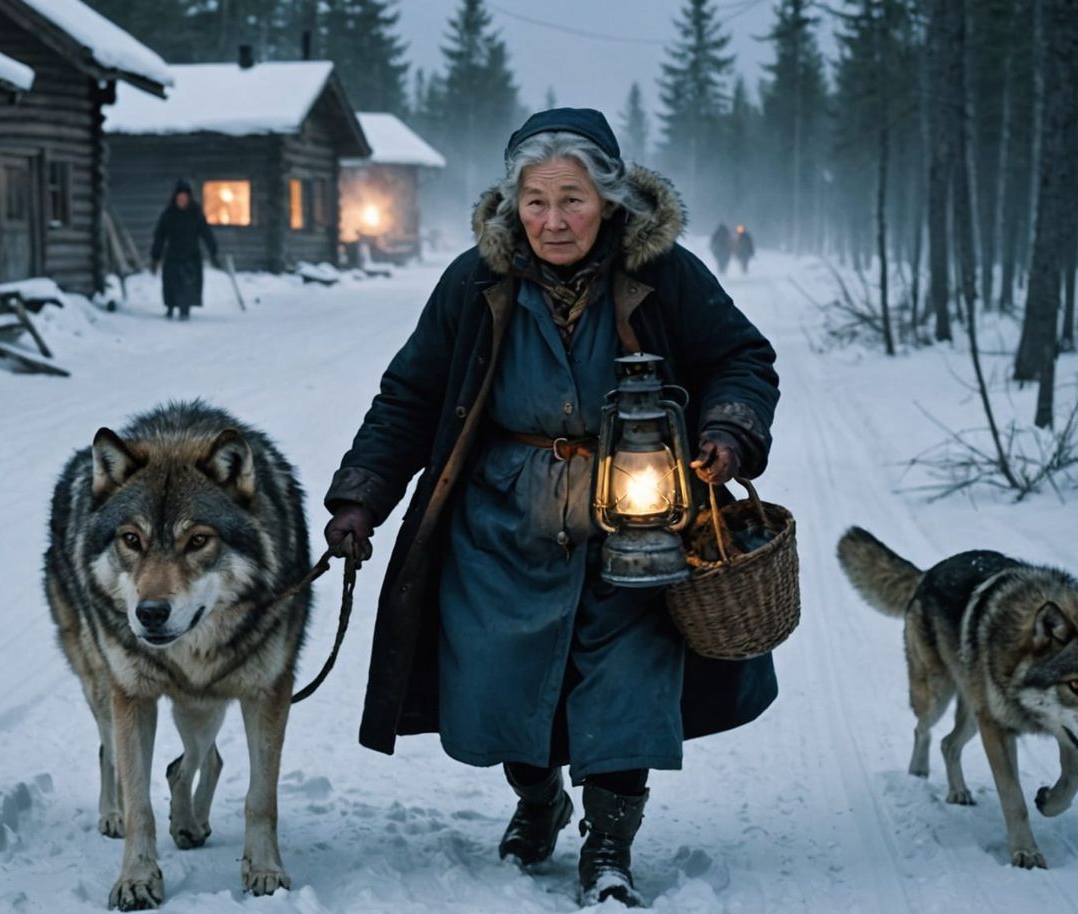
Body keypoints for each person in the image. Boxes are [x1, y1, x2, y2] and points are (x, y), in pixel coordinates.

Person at [322, 108, 780, 907]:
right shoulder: (476, 280)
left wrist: (727, 431)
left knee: (626, 674)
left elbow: (741, 357)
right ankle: (538, 800)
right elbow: (411, 394)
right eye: (535, 200)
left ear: (607, 198)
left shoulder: (662, 272)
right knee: (504, 676)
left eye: (572, 198)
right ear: (512, 203)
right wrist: (362, 493)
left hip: (637, 514)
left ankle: (609, 839)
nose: (553, 219)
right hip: (502, 518)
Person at [149, 180, 219, 320]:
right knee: (170, 283)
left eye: (184, 197)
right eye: (179, 197)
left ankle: (185, 310)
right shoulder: (169, 214)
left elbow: (206, 232)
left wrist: (213, 251)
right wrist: (155, 257)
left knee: (188, 285)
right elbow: (160, 235)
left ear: (189, 198)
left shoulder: (195, 213)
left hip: (191, 255)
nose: (182, 199)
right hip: (173, 256)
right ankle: (170, 307)